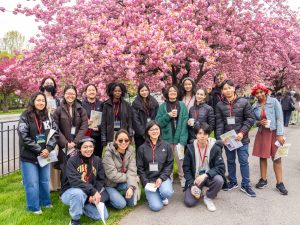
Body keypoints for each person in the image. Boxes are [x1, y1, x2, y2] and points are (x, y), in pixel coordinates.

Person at [18, 92, 59, 214]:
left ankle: (45, 202)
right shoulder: (25, 116)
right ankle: (33, 207)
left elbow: (55, 132)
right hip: (29, 156)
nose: (41, 103)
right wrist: (39, 150)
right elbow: (23, 137)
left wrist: (49, 148)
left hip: (45, 155)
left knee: (44, 181)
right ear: (33, 101)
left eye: (43, 101)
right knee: (32, 183)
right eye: (38, 100)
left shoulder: (48, 116)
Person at [215, 80, 256, 197]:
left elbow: (250, 119)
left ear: (234, 88)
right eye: (225, 89)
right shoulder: (219, 105)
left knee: (243, 161)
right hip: (228, 139)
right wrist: (220, 139)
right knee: (230, 161)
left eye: (229, 88)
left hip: (241, 138)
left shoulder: (244, 102)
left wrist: (242, 133)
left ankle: (246, 184)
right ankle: (232, 181)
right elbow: (219, 123)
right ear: (222, 91)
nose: (227, 90)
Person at [60, 137, 109, 225]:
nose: (88, 149)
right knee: (78, 193)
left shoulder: (97, 160)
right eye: (85, 147)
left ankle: (80, 205)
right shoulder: (72, 161)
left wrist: (94, 193)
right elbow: (74, 182)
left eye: (91, 146)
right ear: (80, 148)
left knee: (103, 216)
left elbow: (100, 180)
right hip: (70, 192)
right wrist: (92, 192)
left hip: (89, 193)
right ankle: (75, 220)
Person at [251, 83, 288, 195]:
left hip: (274, 133)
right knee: (263, 157)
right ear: (255, 94)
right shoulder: (254, 106)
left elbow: (279, 118)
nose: (259, 94)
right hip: (262, 133)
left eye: (261, 92)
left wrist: (280, 134)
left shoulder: (274, 102)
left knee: (277, 158)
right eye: (257, 93)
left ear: (265, 92)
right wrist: (258, 122)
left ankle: (280, 183)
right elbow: (252, 121)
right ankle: (263, 179)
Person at [183, 123, 225, 211]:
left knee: (219, 180)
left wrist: (206, 175)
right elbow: (186, 168)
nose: (202, 136)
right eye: (200, 133)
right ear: (195, 135)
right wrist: (191, 184)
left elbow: (221, 168)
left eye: (205, 134)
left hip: (209, 177)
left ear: (208, 135)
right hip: (195, 178)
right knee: (189, 202)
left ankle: (208, 197)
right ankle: (199, 189)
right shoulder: (190, 148)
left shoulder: (215, 148)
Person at [155, 85, 188, 187]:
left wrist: (182, 139)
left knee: (180, 160)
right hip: (166, 139)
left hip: (179, 139)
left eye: (174, 91)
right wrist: (168, 115)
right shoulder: (162, 107)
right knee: (167, 161)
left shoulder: (182, 105)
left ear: (177, 93)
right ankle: (168, 178)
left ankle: (182, 178)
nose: (172, 92)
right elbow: (158, 122)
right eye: (170, 91)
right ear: (167, 93)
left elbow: (185, 122)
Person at [137, 121, 174, 212]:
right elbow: (140, 168)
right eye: (151, 129)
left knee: (167, 192)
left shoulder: (166, 145)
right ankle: (153, 194)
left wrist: (161, 178)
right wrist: (146, 183)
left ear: (160, 130)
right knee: (156, 207)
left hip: (162, 178)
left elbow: (170, 164)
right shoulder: (141, 148)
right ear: (147, 132)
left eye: (156, 129)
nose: (154, 131)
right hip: (149, 180)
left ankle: (161, 194)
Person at [53, 85, 88, 170]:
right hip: (64, 146)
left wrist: (75, 142)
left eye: (73, 94)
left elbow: (84, 126)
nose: (70, 96)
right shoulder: (58, 110)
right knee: (64, 170)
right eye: (68, 93)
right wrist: (65, 143)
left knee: (78, 169)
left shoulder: (81, 109)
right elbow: (55, 127)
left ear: (76, 95)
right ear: (64, 95)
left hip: (77, 145)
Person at [102, 129, 138, 209]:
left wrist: (131, 187)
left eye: (126, 140)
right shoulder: (108, 154)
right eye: (120, 140)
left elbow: (132, 170)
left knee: (131, 203)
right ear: (115, 140)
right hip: (109, 185)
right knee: (121, 204)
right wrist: (132, 178)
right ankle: (108, 199)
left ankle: (119, 194)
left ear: (129, 141)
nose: (124, 143)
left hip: (122, 182)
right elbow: (113, 175)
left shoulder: (130, 151)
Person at [39, 76, 61, 191]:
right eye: (46, 82)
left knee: (54, 157)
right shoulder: (39, 98)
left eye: (51, 83)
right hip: (42, 131)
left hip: (54, 130)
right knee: (44, 155)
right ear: (43, 85)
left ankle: (55, 184)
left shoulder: (57, 100)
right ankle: (44, 184)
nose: (49, 84)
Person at [101, 82, 133, 147]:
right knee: (112, 152)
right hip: (111, 133)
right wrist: (103, 137)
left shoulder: (126, 104)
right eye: (115, 91)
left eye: (119, 91)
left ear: (122, 92)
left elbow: (129, 120)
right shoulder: (106, 105)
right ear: (112, 92)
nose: (117, 92)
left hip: (123, 132)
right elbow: (103, 122)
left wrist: (130, 134)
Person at [132, 83, 159, 150]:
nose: (144, 92)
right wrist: (144, 134)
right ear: (139, 92)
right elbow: (135, 121)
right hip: (140, 136)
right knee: (141, 153)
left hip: (153, 134)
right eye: (142, 91)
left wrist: (152, 132)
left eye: (146, 90)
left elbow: (157, 117)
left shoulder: (154, 102)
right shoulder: (135, 104)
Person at [82, 84, 104, 157]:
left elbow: (105, 119)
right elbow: (78, 119)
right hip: (86, 134)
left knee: (97, 156)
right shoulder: (81, 105)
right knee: (86, 155)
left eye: (93, 90)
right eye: (89, 90)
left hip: (98, 135)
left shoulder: (101, 104)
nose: (91, 92)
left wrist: (99, 127)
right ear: (85, 92)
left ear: (96, 92)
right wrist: (85, 122)